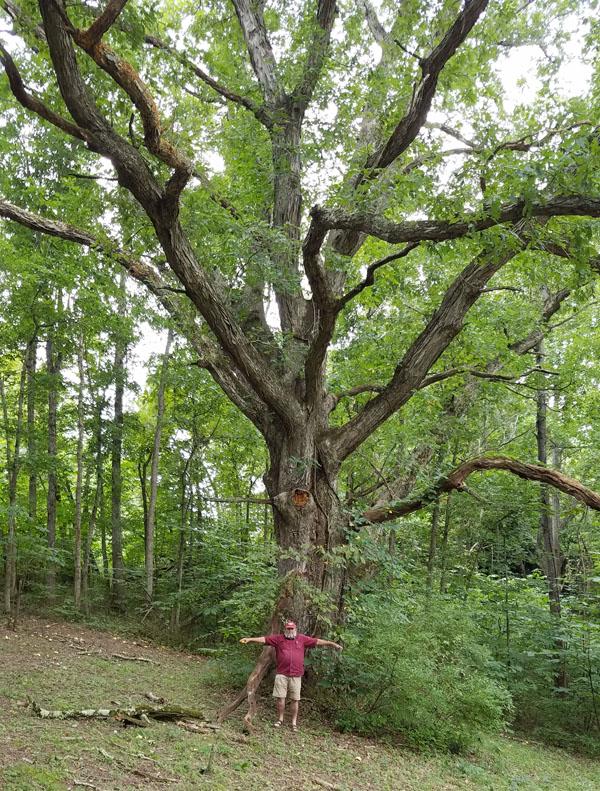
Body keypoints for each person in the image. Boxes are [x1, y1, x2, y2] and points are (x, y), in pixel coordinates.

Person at [240, 620, 342, 731]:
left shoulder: (302, 639)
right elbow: (264, 639)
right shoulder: (278, 639)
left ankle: (294, 723)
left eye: (292, 628)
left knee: (295, 699)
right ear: (285, 629)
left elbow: (317, 642)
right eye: (288, 628)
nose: (290, 630)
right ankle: (280, 719)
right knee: (280, 698)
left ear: (295, 629)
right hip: (281, 674)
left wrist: (332, 644)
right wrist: (250, 639)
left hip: (296, 675)